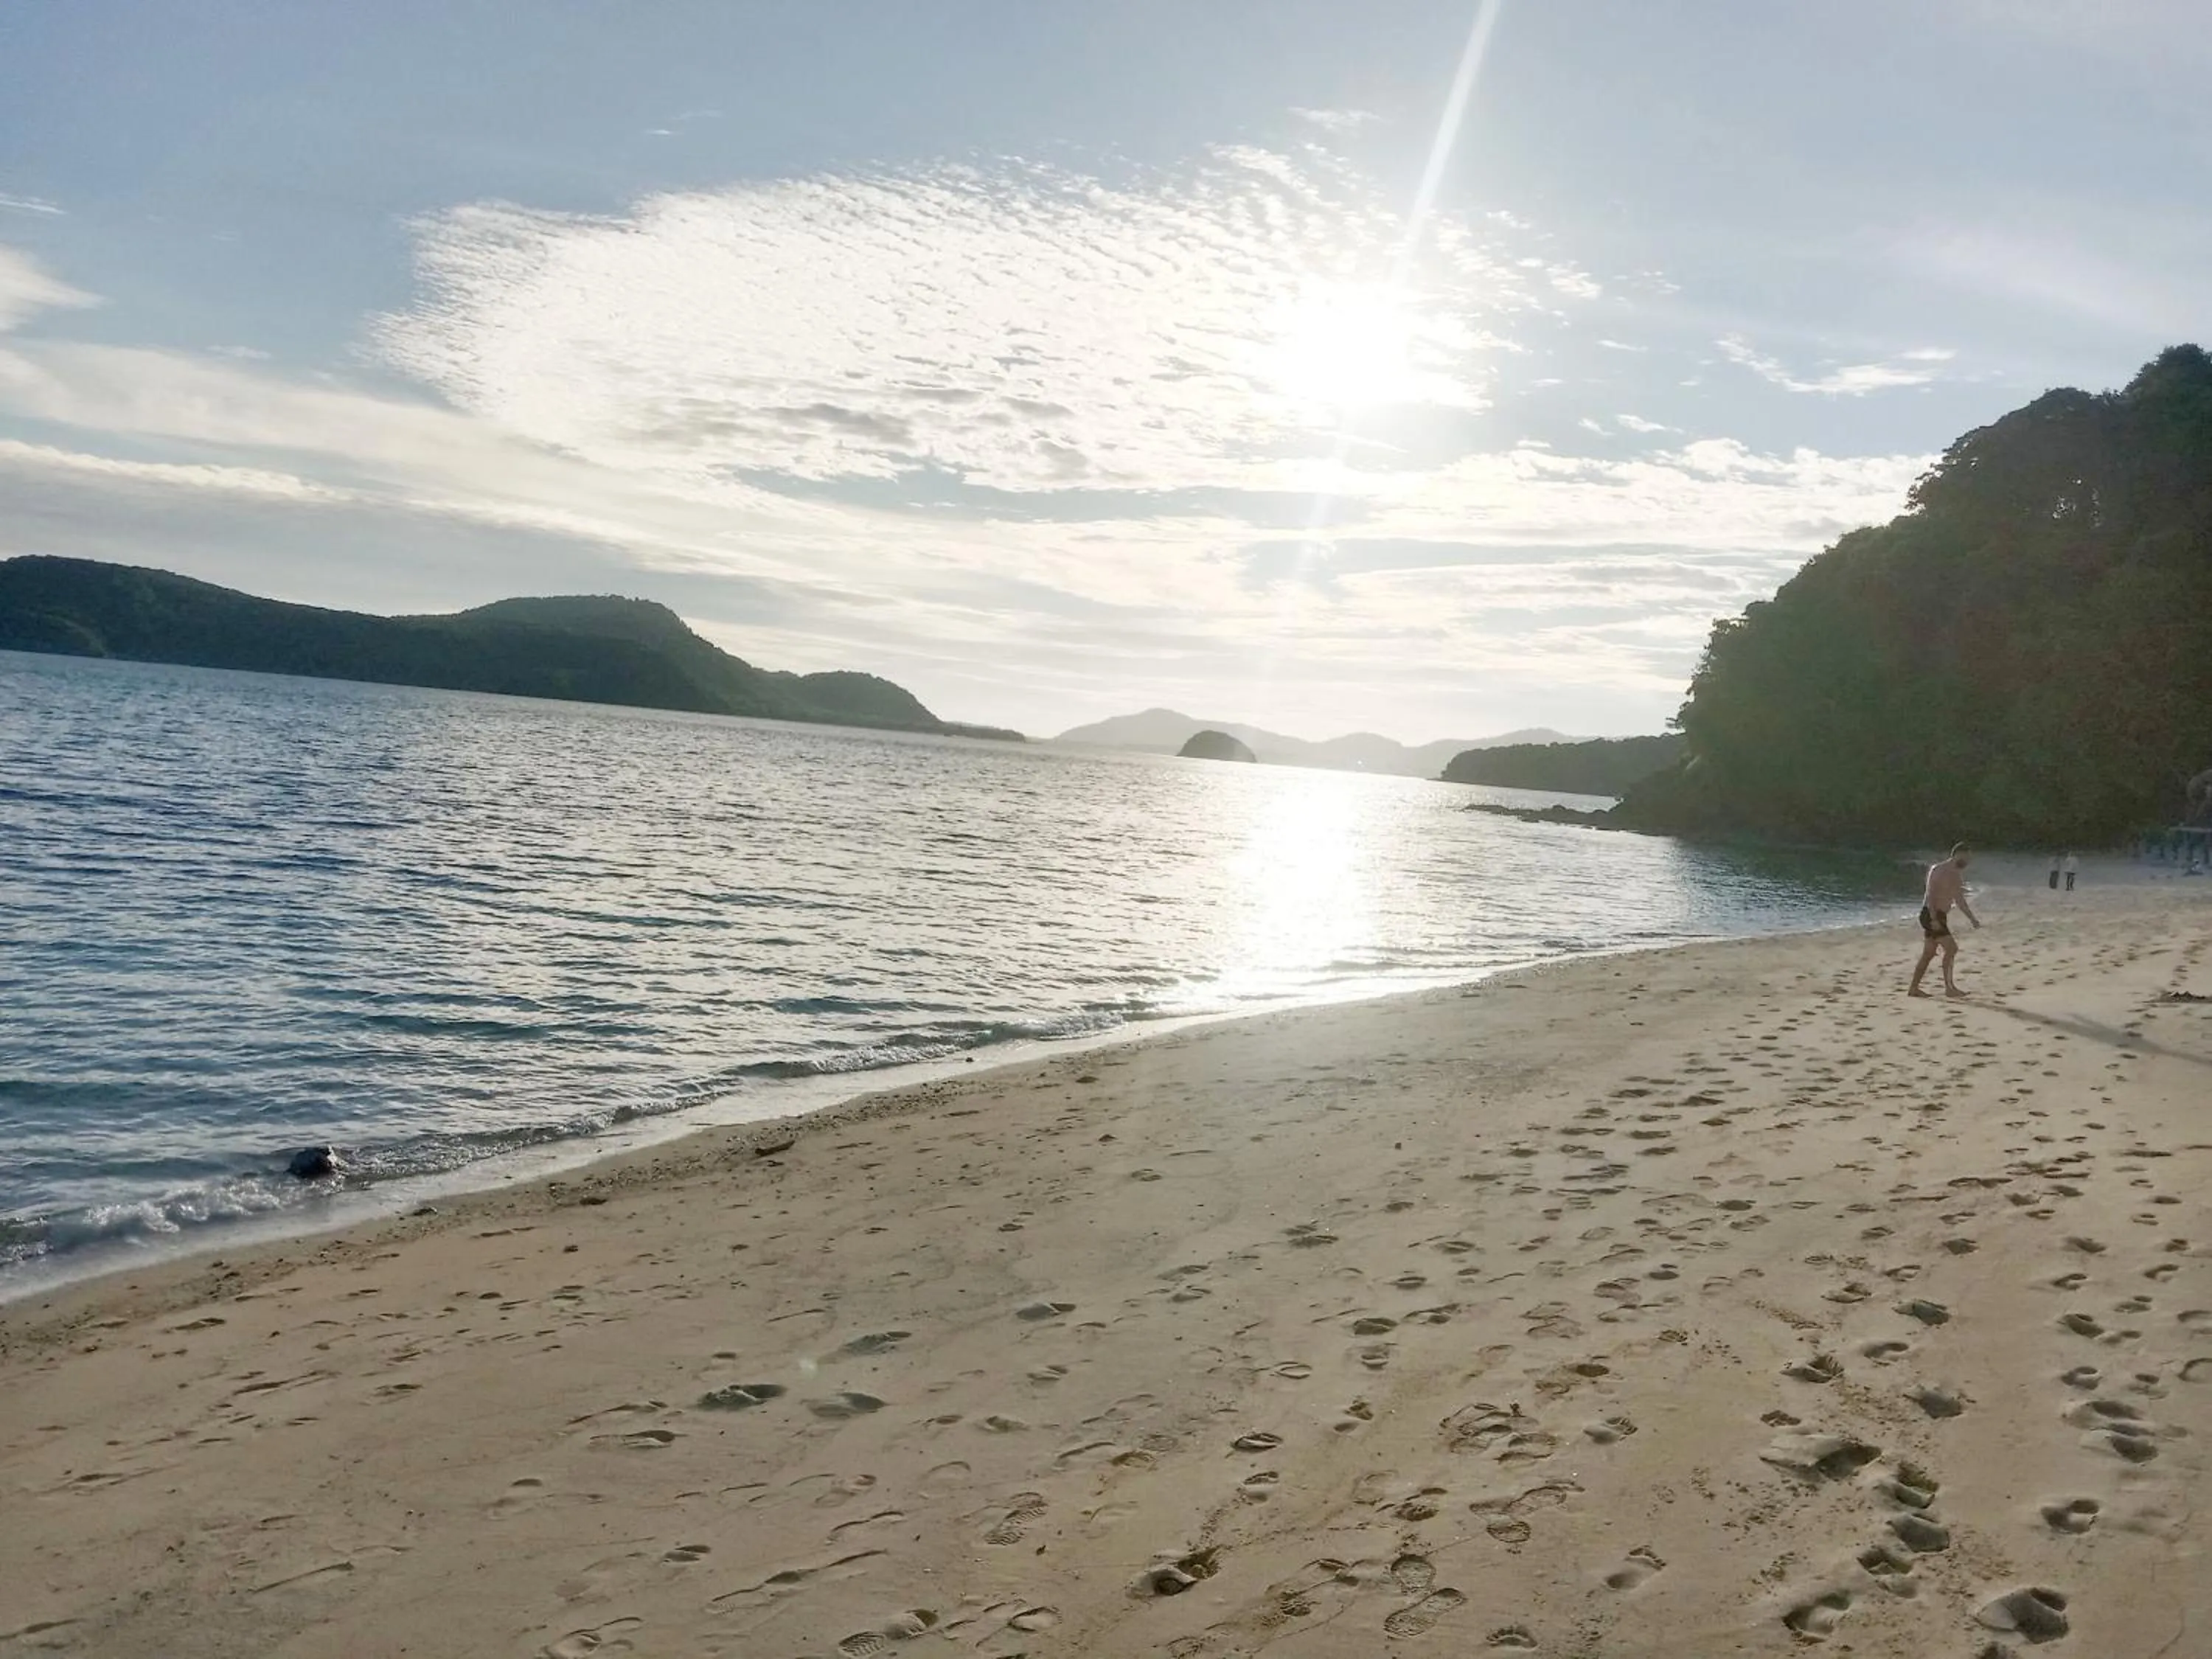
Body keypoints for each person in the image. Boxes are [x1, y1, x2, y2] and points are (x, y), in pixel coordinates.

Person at [1909, 843, 1980, 999]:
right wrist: (1934, 918)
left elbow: (1960, 900)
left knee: (1928, 953)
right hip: (1930, 914)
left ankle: (1913, 989)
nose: (1968, 861)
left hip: (1940, 916)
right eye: (1967, 857)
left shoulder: (1956, 875)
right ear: (1957, 854)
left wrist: (1972, 919)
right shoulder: (1938, 870)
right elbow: (1931, 896)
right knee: (1952, 949)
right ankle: (1949, 988)